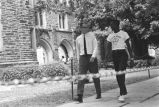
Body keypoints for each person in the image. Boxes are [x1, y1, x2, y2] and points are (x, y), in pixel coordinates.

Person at [106, 20, 133, 102]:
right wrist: (107, 56)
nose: (111, 27)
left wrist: (131, 58)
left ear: (117, 25)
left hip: (122, 54)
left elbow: (128, 46)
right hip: (115, 55)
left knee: (121, 72)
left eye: (112, 25)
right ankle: (123, 90)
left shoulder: (124, 34)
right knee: (118, 74)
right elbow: (108, 46)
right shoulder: (110, 36)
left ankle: (122, 93)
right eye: (110, 25)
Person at [74, 21, 101, 103]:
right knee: (81, 77)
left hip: (91, 56)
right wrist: (79, 60)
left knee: (95, 76)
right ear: (81, 28)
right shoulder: (78, 38)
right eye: (83, 27)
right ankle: (79, 96)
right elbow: (78, 50)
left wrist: (93, 56)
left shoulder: (92, 36)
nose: (84, 29)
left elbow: (96, 47)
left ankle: (98, 93)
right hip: (83, 58)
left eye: (86, 27)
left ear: (88, 28)